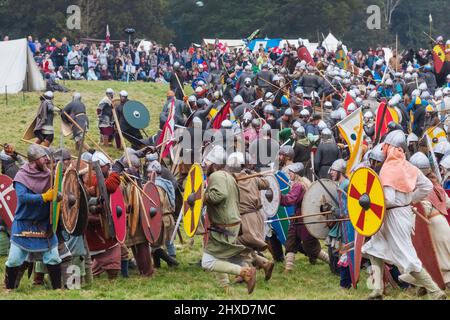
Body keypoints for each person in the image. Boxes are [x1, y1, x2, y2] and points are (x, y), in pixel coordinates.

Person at [361, 130, 446, 300]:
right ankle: (377, 289)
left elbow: (389, 198)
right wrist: (410, 200)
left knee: (407, 257)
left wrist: (371, 204)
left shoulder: (388, 169)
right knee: (374, 249)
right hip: (395, 215)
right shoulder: (410, 167)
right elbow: (427, 187)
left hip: (394, 217)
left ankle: (435, 291)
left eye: (386, 147)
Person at [4, 145, 63, 290]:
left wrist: (58, 196)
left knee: (54, 258)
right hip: (23, 223)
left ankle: (57, 289)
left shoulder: (49, 175)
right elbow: (23, 198)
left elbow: (56, 197)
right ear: (35, 160)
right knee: (14, 260)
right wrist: (44, 197)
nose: (46, 160)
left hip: (44, 224)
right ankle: (9, 288)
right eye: (43, 158)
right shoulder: (21, 176)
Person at [201, 146, 257, 294]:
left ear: (214, 164)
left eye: (208, 162)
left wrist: (201, 197)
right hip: (229, 223)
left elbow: (219, 195)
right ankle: (225, 288)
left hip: (224, 226)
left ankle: (245, 272)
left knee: (207, 261)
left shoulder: (216, 176)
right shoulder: (228, 176)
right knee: (218, 256)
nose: (205, 165)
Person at [227, 152, 275, 281]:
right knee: (244, 246)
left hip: (245, 219)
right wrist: (251, 174)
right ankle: (264, 263)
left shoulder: (231, 181)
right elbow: (266, 183)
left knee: (239, 245)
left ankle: (245, 273)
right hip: (257, 217)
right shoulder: (252, 178)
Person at [409, 152, 450, 290]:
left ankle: (435, 285)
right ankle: (429, 286)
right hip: (442, 222)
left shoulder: (422, 189)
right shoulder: (436, 185)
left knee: (436, 258)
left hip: (433, 225)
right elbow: (448, 203)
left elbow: (423, 209)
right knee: (444, 256)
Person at [282, 162, 329, 272]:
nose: (289, 174)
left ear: (297, 174)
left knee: (311, 247)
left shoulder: (299, 185)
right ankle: (288, 268)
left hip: (303, 219)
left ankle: (333, 262)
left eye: (291, 172)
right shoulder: (305, 182)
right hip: (298, 219)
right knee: (291, 241)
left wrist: (278, 197)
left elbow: (290, 199)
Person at [84, 151, 123, 280]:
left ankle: (111, 279)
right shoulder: (91, 178)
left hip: (105, 222)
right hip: (93, 223)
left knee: (113, 252)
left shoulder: (102, 176)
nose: (109, 169)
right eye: (107, 166)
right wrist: (116, 173)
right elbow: (108, 187)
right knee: (95, 253)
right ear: (100, 167)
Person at [327, 159, 354, 289]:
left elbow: (352, 205)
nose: (331, 173)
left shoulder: (347, 185)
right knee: (346, 251)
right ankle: (346, 283)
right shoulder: (341, 185)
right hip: (344, 223)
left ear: (340, 172)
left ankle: (345, 283)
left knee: (348, 251)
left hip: (350, 223)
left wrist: (341, 212)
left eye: (333, 170)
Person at [147, 161, 179, 268]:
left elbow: (158, 202)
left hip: (160, 217)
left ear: (154, 173)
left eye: (149, 172)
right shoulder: (166, 183)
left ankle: (171, 261)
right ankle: (160, 264)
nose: (147, 175)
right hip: (168, 217)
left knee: (154, 242)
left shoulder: (157, 186)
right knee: (169, 241)